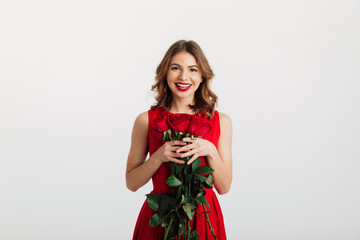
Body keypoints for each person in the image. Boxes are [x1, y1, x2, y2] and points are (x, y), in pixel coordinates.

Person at [126, 40, 233, 240]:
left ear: (202, 76)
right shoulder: (145, 121)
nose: (184, 76)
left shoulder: (222, 121)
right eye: (176, 68)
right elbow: (131, 183)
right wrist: (158, 157)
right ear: (165, 72)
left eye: (193, 69)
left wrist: (210, 150)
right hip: (160, 217)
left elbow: (224, 187)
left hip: (202, 218)